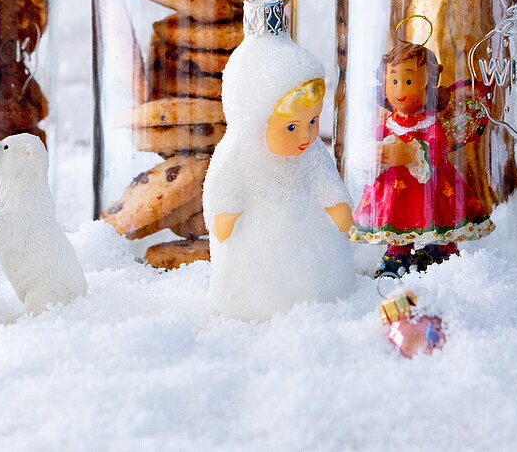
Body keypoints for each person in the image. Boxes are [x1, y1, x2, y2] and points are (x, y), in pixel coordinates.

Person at [205, 70, 355, 320]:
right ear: (259, 121)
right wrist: (226, 212)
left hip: (308, 245)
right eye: (292, 127)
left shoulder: (313, 153)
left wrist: (337, 204)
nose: (306, 136)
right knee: (259, 276)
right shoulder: (243, 152)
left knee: (310, 274)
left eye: (314, 120)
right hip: (259, 252)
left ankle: (317, 294)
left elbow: (325, 180)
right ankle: (256, 303)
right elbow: (227, 185)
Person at [351, 39, 494, 275]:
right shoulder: (389, 123)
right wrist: (370, 151)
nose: (399, 90)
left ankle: (441, 250)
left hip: (431, 186)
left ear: (427, 83)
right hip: (396, 191)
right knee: (396, 220)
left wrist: (410, 152)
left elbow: (438, 148)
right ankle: (397, 256)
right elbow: (368, 142)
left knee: (437, 216)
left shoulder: (430, 122)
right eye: (393, 80)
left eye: (407, 81)